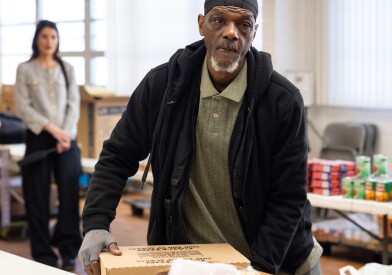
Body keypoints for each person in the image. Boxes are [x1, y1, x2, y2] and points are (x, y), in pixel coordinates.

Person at [79, 0, 323, 274]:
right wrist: (96, 223)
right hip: (195, 263)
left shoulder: (282, 100)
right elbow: (117, 155)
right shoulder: (162, 86)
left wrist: (261, 268)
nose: (231, 33)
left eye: (244, 25)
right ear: (201, 24)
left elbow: (288, 197)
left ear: (254, 33)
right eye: (219, 20)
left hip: (278, 261)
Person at [14, 20, 82, 271]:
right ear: (37, 39)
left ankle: (68, 250)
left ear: (58, 40)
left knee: (69, 197)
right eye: (44, 36)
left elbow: (73, 104)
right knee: (37, 198)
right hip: (39, 138)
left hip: (67, 138)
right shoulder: (25, 69)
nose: (49, 41)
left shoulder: (67, 68)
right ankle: (43, 255)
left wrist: (66, 135)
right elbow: (23, 106)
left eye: (53, 37)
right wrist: (53, 130)